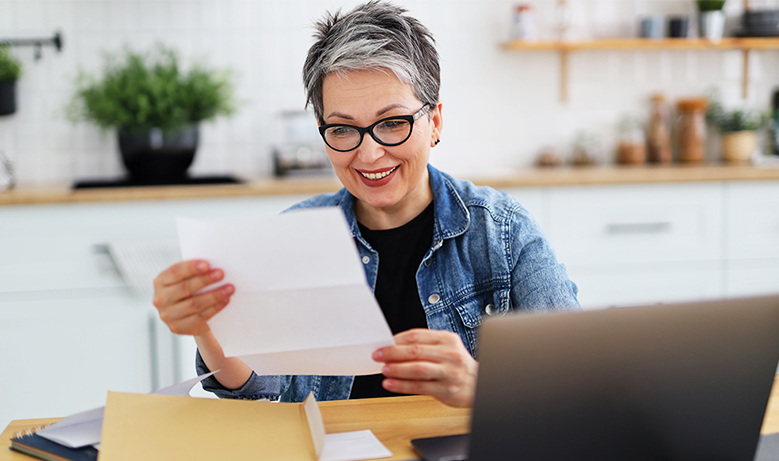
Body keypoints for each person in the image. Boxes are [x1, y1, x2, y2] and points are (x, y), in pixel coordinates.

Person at [152, 0, 579, 409]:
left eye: (392, 123)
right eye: (342, 129)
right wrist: (207, 330)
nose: (369, 154)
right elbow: (257, 386)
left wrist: (481, 385)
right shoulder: (295, 236)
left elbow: (577, 381)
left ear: (435, 122)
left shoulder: (501, 233)